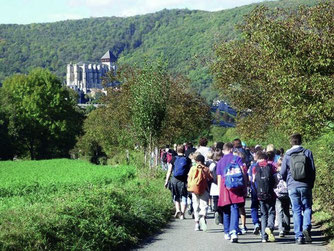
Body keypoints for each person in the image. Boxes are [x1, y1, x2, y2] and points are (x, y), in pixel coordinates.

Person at [280, 133, 316, 244]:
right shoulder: (307, 152)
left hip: (292, 186)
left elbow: (282, 172)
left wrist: (288, 182)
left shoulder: (287, 154)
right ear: (301, 141)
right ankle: (306, 228)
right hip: (305, 185)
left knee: (296, 210)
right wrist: (310, 183)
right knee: (307, 208)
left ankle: (299, 236)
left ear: (291, 142)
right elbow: (313, 170)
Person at [217, 143, 246, 243]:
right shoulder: (237, 159)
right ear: (231, 149)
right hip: (236, 187)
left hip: (224, 187)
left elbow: (219, 177)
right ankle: (233, 231)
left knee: (226, 209)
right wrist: (245, 185)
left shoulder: (220, 162)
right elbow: (242, 172)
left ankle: (226, 232)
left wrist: (219, 191)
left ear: (224, 150)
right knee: (234, 208)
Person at [253, 151, 277, 243]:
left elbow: (253, 180)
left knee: (263, 214)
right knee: (271, 212)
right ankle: (269, 227)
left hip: (260, 194)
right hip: (270, 193)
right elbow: (276, 179)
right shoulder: (271, 166)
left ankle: (263, 237)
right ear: (266, 159)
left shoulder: (255, 167)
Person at [164, 144, 192, 220]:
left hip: (175, 180)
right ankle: (182, 214)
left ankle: (178, 210)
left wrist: (166, 181)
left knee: (175, 195)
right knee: (184, 196)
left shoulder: (173, 159)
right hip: (184, 180)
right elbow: (190, 171)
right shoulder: (188, 159)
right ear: (184, 150)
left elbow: (169, 171)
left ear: (177, 150)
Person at [187, 154, 213, 231]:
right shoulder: (206, 169)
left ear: (196, 161)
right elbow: (210, 178)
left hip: (194, 190)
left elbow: (189, 178)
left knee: (195, 206)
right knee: (203, 205)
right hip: (204, 189)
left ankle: (197, 224)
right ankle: (203, 216)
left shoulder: (193, 168)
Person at [274, 157, 291, 237]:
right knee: (286, 210)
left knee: (279, 211)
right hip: (287, 193)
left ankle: (281, 229)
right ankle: (287, 227)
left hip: (278, 194)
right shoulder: (288, 173)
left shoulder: (275, 175)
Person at [248, 150, 261, 235]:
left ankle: (256, 223)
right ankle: (264, 226)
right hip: (265, 191)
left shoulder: (252, 166)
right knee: (265, 209)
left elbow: (250, 179)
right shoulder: (268, 166)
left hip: (255, 190)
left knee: (254, 207)